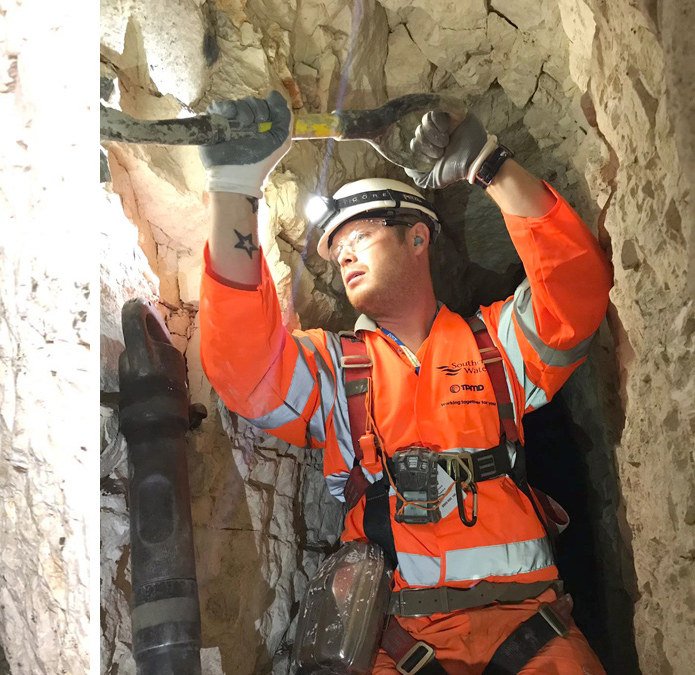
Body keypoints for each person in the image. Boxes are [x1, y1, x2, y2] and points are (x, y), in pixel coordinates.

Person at [196, 91, 612, 674]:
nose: (344, 256)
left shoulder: (495, 347)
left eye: (360, 236)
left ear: (418, 238)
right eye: (337, 250)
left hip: (531, 631)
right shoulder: (337, 370)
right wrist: (234, 191)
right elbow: (247, 372)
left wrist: (489, 164)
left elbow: (577, 292)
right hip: (396, 644)